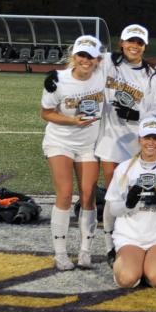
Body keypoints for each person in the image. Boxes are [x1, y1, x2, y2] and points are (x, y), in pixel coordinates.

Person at [96, 24, 156, 261]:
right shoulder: (107, 62)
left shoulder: (151, 75)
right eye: (130, 42)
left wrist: (138, 115)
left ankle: (132, 237)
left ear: (144, 46)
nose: (135, 46)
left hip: (136, 139)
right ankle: (109, 244)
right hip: (110, 137)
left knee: (134, 191)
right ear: (122, 43)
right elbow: (82, 63)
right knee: (112, 193)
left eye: (139, 43)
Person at [40, 35, 106, 270]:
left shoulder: (102, 74)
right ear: (74, 56)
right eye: (81, 55)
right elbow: (46, 113)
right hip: (60, 142)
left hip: (89, 145)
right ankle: (60, 253)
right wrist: (72, 121)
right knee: (66, 194)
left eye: (90, 56)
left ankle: (85, 251)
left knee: (88, 195)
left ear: (99, 59)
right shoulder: (58, 80)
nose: (85, 60)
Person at [105, 118, 156, 288]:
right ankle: (130, 263)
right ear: (140, 139)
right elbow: (113, 209)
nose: (151, 143)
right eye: (147, 138)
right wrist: (129, 204)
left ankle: (150, 265)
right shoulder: (124, 168)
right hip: (130, 236)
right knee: (127, 279)